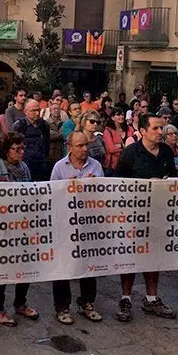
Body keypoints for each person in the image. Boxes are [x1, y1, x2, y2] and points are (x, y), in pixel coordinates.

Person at [114, 114, 178, 322]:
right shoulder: (130, 153)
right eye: (156, 129)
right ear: (143, 131)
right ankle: (126, 298)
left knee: (154, 256)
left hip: (159, 213)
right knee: (131, 257)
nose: (161, 132)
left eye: (162, 128)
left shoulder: (167, 151)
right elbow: (118, 183)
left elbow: (175, 178)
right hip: (134, 214)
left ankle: (151, 298)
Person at [0, 132, 40, 326]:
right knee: (2, 270)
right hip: (5, 229)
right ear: (6, 152)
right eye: (16, 149)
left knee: (24, 267)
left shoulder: (24, 168)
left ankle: (20, 303)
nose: (20, 153)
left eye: (22, 148)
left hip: (23, 227)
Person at [50, 131, 104, 324]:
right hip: (66, 225)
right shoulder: (59, 167)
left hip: (88, 224)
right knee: (63, 266)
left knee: (88, 266)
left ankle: (87, 302)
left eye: (86, 145)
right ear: (69, 147)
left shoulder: (96, 166)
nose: (84, 149)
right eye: (80, 146)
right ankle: (62, 306)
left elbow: (103, 195)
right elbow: (53, 196)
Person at [13, 99, 50, 181]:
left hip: (41, 164)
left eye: (38, 110)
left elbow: (47, 144)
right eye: (33, 111)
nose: (37, 113)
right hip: (25, 165)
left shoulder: (44, 125)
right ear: (25, 111)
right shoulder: (19, 126)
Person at [103, 109, 127, 175]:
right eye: (118, 115)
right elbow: (111, 148)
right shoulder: (108, 131)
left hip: (127, 164)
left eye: (122, 115)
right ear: (112, 117)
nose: (121, 116)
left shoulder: (129, 129)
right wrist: (123, 146)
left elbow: (132, 145)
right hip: (112, 166)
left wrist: (118, 145)